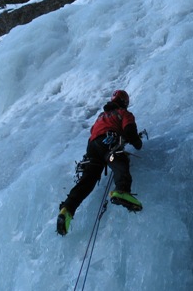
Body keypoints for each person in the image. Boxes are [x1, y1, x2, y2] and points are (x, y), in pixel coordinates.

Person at [57, 89, 144, 236]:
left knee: (88, 181)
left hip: (92, 147)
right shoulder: (123, 113)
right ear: (125, 102)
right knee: (120, 162)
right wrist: (137, 143)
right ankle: (122, 190)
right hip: (108, 141)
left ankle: (68, 208)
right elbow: (129, 130)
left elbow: (93, 131)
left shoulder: (101, 116)